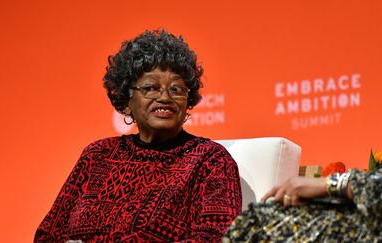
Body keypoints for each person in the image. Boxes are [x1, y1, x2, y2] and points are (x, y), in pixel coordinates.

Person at [35, 29, 242, 242]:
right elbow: (47, 235)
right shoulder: (97, 155)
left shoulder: (210, 161)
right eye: (151, 87)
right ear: (126, 99)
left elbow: (217, 238)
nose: (165, 97)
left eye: (176, 88)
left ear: (188, 100)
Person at [223, 167, 382, 242]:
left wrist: (331, 184)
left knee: (257, 225)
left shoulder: (213, 159)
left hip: (366, 224)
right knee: (255, 222)